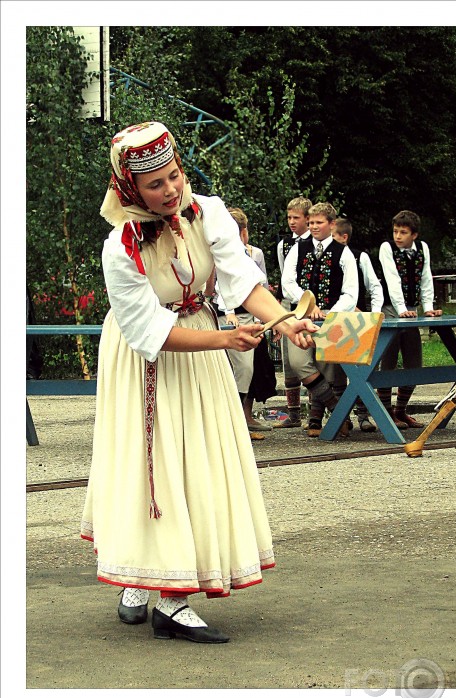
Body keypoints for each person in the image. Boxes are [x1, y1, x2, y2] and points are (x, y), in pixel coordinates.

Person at [80, 121, 317, 645]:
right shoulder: (120, 246)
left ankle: (167, 592)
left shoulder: (206, 210)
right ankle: (154, 584)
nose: (170, 190)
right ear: (130, 189)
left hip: (204, 339)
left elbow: (239, 278)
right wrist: (225, 341)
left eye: (175, 176)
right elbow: (149, 330)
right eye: (155, 184)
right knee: (154, 461)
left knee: (197, 461)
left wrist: (282, 321)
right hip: (149, 354)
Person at [282, 202, 358, 438]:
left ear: (332, 224)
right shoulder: (298, 248)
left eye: (319, 222)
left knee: (326, 367)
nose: (314, 227)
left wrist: (329, 312)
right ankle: (338, 411)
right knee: (299, 362)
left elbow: (350, 292)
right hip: (301, 314)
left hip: (329, 315)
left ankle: (318, 419)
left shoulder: (343, 252)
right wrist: (307, 303)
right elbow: (288, 283)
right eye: (312, 222)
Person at [213, 207, 277, 440]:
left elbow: (260, 285)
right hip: (229, 316)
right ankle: (234, 423)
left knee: (252, 368)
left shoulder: (254, 253)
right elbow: (220, 284)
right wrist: (228, 311)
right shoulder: (218, 253)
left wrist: (270, 318)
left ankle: (242, 419)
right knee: (240, 368)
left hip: (252, 315)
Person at [377, 209, 442, 429]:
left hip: (411, 310)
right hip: (390, 309)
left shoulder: (422, 248)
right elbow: (392, 280)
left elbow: (426, 278)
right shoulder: (387, 248)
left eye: (403, 232)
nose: (397, 236)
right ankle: (385, 412)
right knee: (389, 361)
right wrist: (401, 309)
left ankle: (401, 410)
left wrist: (429, 307)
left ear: (414, 235)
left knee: (414, 363)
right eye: (395, 231)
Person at [331, 218, 384, 433]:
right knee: (337, 371)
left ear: (344, 238)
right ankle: (341, 418)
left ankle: (364, 416)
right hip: (334, 321)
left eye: (332, 236)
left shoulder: (360, 257)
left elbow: (375, 287)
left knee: (360, 368)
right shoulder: (325, 258)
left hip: (358, 322)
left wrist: (374, 315)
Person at [273, 197, 313, 428]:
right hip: (289, 305)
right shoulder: (284, 245)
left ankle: (316, 411)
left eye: (296, 217)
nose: (291, 222)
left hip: (309, 305)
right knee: (288, 360)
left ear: (307, 219)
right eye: (289, 217)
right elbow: (283, 277)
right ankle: (294, 413)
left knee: (307, 356)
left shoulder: (314, 242)